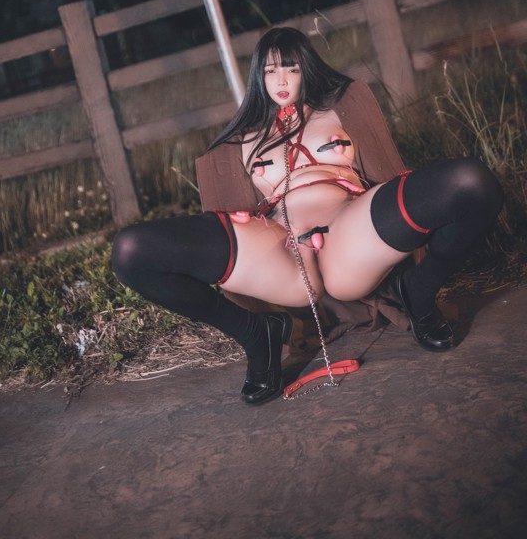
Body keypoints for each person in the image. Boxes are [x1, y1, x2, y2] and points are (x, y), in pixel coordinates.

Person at [112, 27, 504, 405]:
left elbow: (382, 163)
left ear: (307, 69)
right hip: (279, 243)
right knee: (131, 251)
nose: (280, 79)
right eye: (270, 70)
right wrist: (237, 218)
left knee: (470, 182)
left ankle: (417, 292)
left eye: (291, 68)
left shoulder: (338, 110)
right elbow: (230, 204)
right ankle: (255, 334)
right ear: (257, 77)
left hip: (348, 223)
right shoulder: (240, 141)